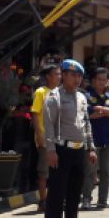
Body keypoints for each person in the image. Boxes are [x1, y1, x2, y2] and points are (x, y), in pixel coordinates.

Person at [42, 59, 96, 218]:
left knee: (75, 192)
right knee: (57, 193)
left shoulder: (81, 97)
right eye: (73, 75)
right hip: (61, 150)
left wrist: (91, 147)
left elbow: (86, 123)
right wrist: (50, 150)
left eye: (79, 76)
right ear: (63, 75)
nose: (77, 79)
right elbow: (48, 125)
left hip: (79, 150)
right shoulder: (54, 97)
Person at [82, 68, 109, 210]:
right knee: (90, 171)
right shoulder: (86, 96)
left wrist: (99, 109)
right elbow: (87, 114)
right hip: (92, 139)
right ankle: (86, 199)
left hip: (108, 138)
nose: (102, 82)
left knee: (106, 172)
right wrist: (105, 111)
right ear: (93, 80)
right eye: (99, 79)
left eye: (105, 79)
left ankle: (103, 200)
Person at [31, 64, 60, 208]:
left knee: (57, 171)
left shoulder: (61, 92)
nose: (59, 76)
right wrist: (39, 135)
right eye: (56, 74)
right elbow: (35, 114)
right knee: (44, 171)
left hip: (59, 137)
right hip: (46, 138)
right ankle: (43, 200)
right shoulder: (41, 92)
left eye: (60, 74)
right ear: (48, 76)